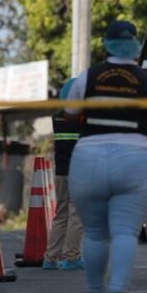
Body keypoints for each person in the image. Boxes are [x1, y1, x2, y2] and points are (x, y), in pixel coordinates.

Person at [65, 20, 147, 293]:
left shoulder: (87, 77)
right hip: (137, 160)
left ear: (106, 45)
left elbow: (71, 115)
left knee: (95, 233)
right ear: (134, 45)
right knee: (125, 231)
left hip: (88, 159)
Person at [43, 80, 85, 271]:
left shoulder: (56, 118)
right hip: (78, 172)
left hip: (60, 172)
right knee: (77, 215)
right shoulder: (83, 118)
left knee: (60, 215)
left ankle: (51, 259)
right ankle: (72, 257)